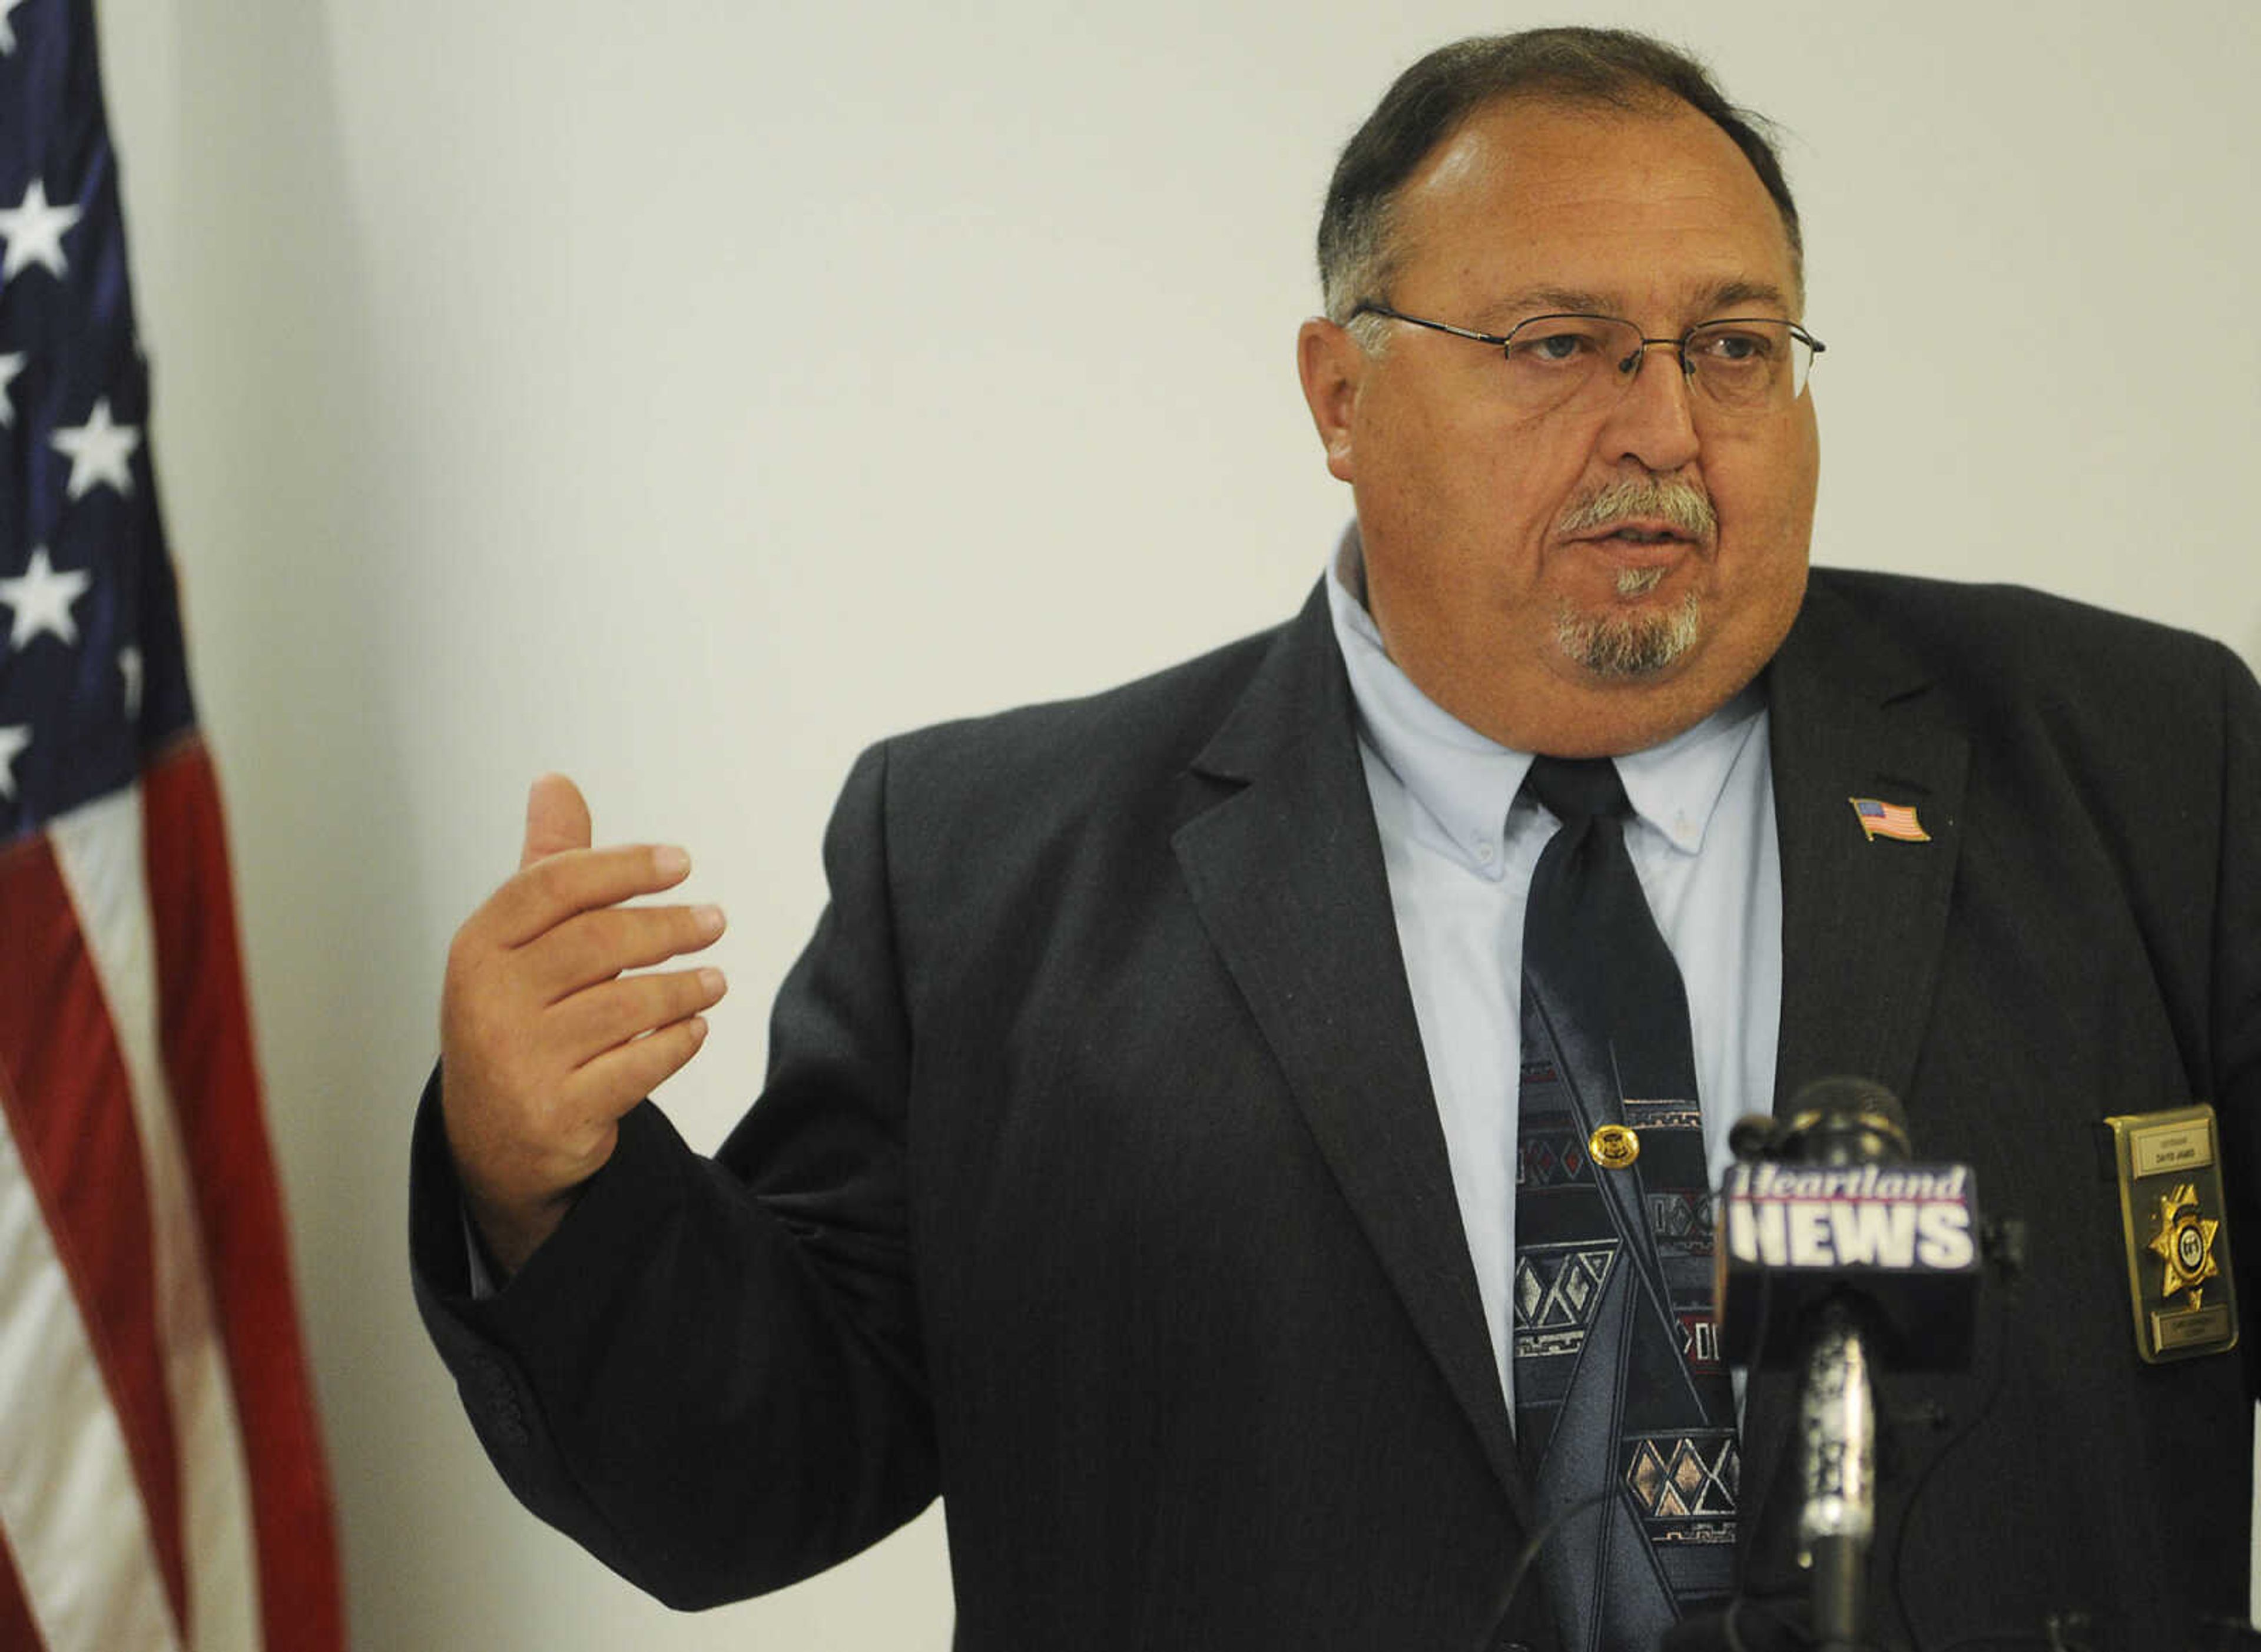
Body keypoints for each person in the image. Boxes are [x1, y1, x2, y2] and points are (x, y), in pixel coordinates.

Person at [411, 26, 2260, 1650]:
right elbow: (758, 1475)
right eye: (1562, 344)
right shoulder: (983, 871)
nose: (1669, 427)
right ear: (1341, 395)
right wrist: (545, 1188)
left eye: (1736, 343)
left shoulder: (2150, 766)